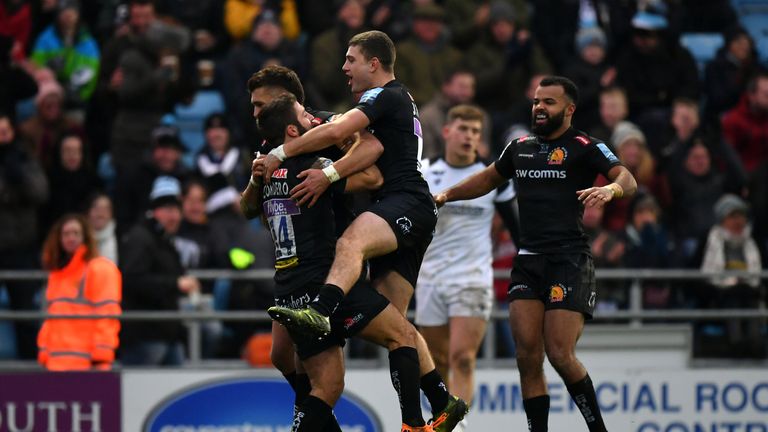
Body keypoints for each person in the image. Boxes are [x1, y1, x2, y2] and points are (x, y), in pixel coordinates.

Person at [263, 30, 468, 431]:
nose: (344, 68)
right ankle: (433, 411)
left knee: (351, 242)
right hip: (402, 209)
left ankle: (319, 312)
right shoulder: (388, 103)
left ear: (373, 64)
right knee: (399, 330)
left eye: (351, 60)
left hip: (403, 200)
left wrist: (283, 153)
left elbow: (347, 138)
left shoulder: (383, 95)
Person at [432, 76, 637, 431]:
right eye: (536, 101)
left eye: (549, 102)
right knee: (527, 357)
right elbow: (488, 179)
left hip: (569, 260)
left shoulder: (586, 146)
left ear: (569, 109)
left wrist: (612, 190)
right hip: (528, 261)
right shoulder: (519, 147)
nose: (539, 107)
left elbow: (627, 177)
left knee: (559, 354)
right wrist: (446, 195)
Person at [249, 94, 432, 431]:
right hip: (323, 281)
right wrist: (334, 171)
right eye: (305, 116)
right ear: (292, 130)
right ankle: (415, 425)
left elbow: (253, 212)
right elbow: (374, 176)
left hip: (289, 288)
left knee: (327, 387)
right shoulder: (310, 167)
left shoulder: (266, 177)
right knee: (403, 335)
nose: (313, 120)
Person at [416, 105, 517, 430]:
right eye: (463, 129)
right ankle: (441, 416)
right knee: (437, 360)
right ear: (446, 132)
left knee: (463, 357)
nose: (469, 137)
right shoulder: (425, 172)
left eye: (475, 131)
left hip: (473, 278)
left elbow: (517, 230)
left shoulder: (493, 178)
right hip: (430, 277)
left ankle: (456, 426)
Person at [119, 176, 201, 365]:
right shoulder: (140, 238)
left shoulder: (164, 240)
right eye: (169, 210)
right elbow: (132, 280)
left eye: (177, 211)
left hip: (168, 333)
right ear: (155, 211)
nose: (175, 217)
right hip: (145, 335)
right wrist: (176, 283)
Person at [37, 214, 122, 371]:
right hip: (56, 363)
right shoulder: (56, 275)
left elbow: (107, 314)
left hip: (87, 363)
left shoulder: (99, 269)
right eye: (66, 234)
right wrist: (45, 354)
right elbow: (50, 319)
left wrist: (101, 357)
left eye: (76, 233)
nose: (71, 238)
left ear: (86, 236)